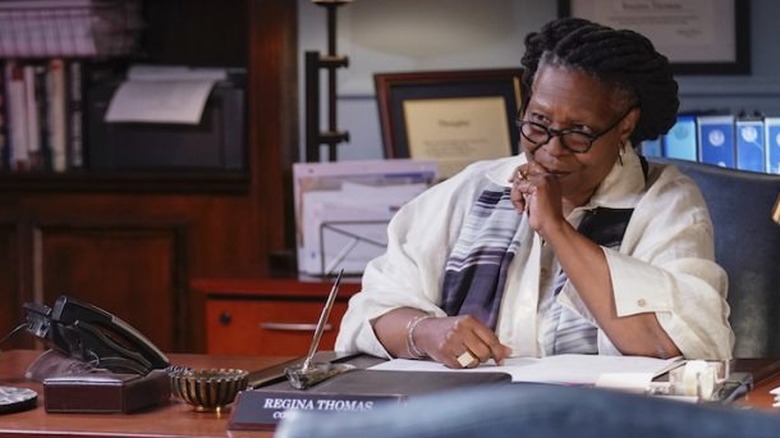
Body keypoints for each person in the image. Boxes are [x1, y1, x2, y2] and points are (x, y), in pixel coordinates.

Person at [335, 17, 734, 368]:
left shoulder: (665, 204)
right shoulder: (470, 191)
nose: (551, 149)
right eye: (538, 123)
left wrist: (557, 230)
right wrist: (425, 332)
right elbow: (368, 314)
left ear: (625, 126)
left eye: (578, 133)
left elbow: (689, 343)